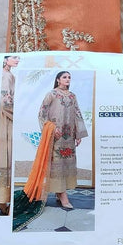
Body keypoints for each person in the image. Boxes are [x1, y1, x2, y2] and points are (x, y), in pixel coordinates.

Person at [38, 71, 88, 209]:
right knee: (57, 164)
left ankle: (59, 192)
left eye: (69, 77)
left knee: (66, 164)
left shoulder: (72, 96)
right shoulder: (52, 94)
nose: (68, 79)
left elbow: (77, 114)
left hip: (69, 135)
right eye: (64, 77)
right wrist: (52, 129)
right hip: (56, 135)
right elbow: (42, 113)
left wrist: (78, 134)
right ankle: (63, 197)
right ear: (58, 80)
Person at [0, 54, 19, 215]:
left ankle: (1, 199)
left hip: (3, 117)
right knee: (4, 155)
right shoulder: (6, 76)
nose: (17, 60)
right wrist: (19, 115)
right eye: (14, 58)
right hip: (5, 118)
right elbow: (5, 102)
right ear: (5, 60)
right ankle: (1, 200)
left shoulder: (7, 74)